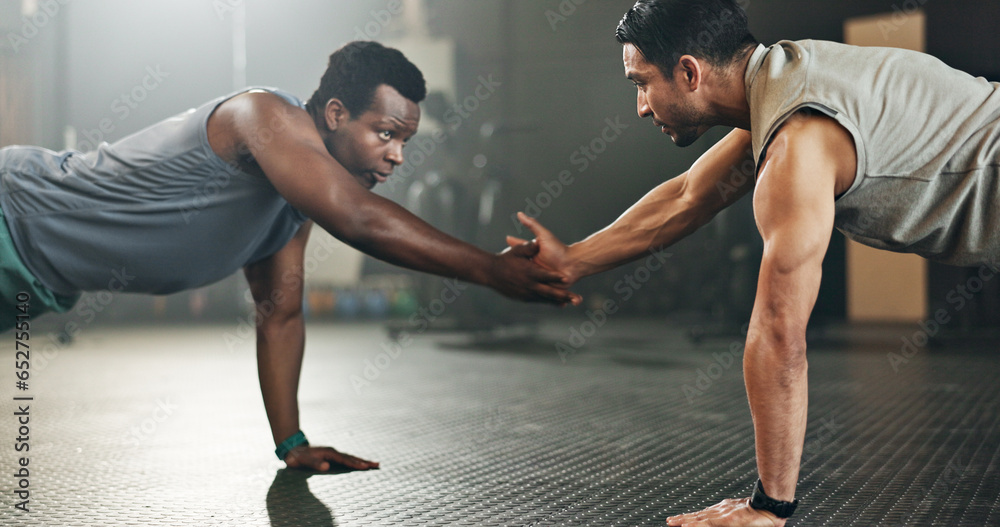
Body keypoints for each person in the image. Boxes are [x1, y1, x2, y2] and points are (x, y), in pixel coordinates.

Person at [507, 1, 1000, 525]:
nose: (641, 107)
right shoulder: (785, 80)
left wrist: (769, 508)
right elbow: (687, 197)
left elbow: (780, 331)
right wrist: (572, 261)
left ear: (689, 72)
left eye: (641, 83)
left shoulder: (799, 142)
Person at [0, 41, 580, 473]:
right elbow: (355, 217)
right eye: (385, 134)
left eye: (406, 141)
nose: (398, 156)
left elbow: (280, 314)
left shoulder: (291, 209)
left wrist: (291, 444)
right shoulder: (260, 114)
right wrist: (490, 269)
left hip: (34, 282)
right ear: (334, 114)